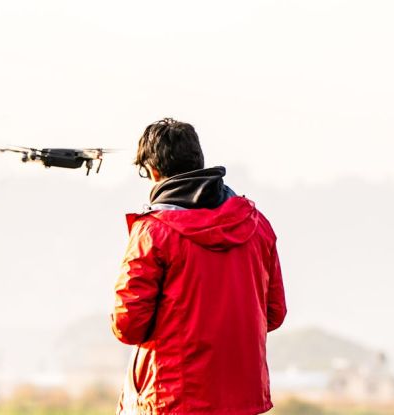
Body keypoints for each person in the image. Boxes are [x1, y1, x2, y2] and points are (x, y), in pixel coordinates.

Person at [111, 118, 286, 415]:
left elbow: (128, 326)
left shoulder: (153, 232)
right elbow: (274, 313)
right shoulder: (257, 225)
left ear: (153, 172)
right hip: (243, 399)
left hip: (173, 398)